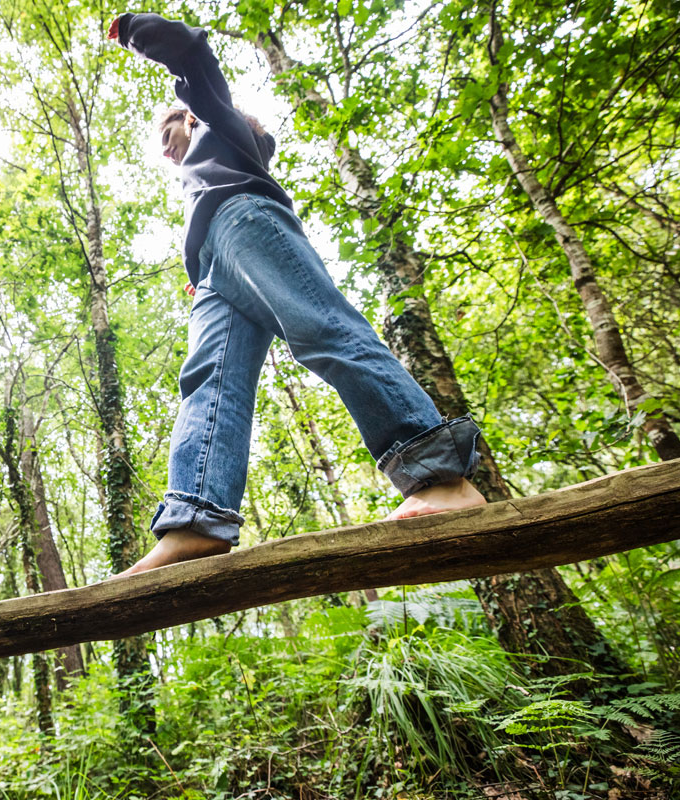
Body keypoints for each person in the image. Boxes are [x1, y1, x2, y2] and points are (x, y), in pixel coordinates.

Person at [108, 13, 486, 577]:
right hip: (217, 263)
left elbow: (193, 56)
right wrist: (204, 266)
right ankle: (195, 521)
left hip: (246, 224)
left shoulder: (222, 130)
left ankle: (441, 477)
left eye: (170, 136)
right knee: (207, 382)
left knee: (321, 328)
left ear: (192, 119)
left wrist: (138, 30)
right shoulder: (203, 175)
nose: (167, 151)